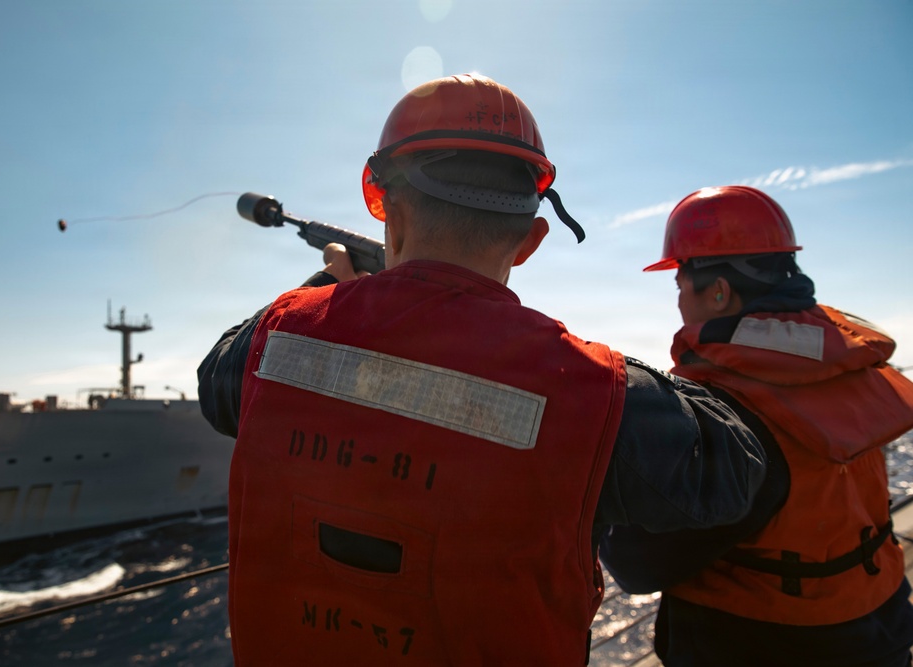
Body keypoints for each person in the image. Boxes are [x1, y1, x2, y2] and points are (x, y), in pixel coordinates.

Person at [198, 74, 767, 665]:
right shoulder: (593, 388)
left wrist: (333, 290)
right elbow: (734, 468)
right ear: (530, 240)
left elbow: (216, 384)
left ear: (381, 203)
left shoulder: (279, 334)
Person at [600, 185, 913, 666]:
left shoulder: (728, 410)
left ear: (719, 291)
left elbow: (640, 565)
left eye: (680, 286)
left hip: (765, 644)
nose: (680, 304)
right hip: (882, 626)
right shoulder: (846, 367)